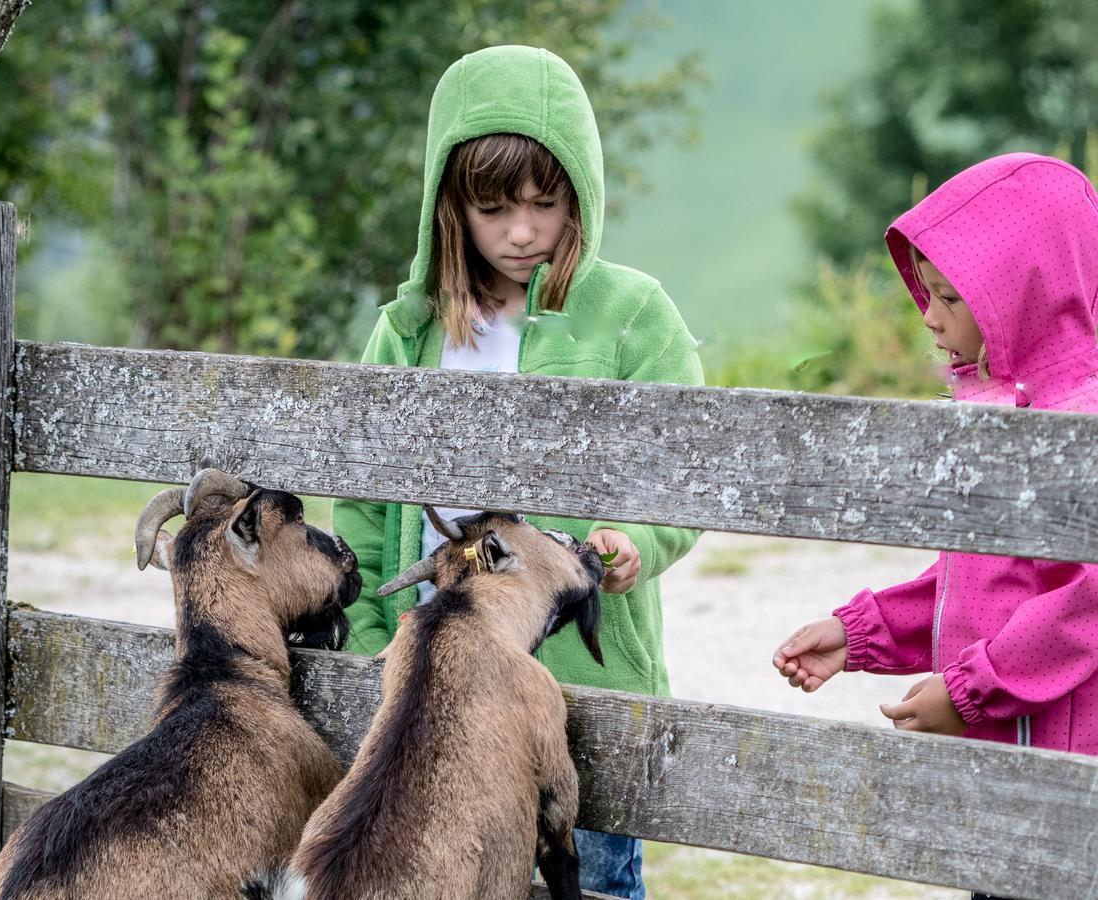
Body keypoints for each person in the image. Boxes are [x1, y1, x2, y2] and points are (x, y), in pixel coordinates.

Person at [332, 44, 704, 899]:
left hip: (587, 672)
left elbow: (681, 468)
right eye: (494, 208)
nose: (524, 231)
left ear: (583, 191)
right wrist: (365, 639)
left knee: (594, 878)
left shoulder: (632, 314)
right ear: (447, 204)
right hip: (434, 683)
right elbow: (359, 496)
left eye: (546, 202)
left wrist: (637, 540)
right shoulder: (409, 330)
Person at [773, 153, 1098, 895]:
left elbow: (1087, 602)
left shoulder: (1083, 421)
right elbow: (979, 585)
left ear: (1027, 298)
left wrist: (971, 689)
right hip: (1003, 777)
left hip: (1068, 798)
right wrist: (861, 632)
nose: (928, 314)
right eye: (927, 292)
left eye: (950, 296)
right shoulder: (998, 414)